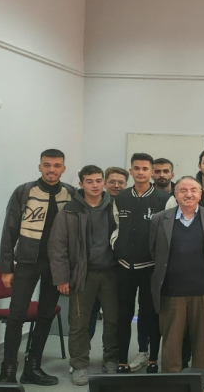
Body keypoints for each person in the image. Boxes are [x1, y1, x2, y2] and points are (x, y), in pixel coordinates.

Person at [0, 149, 74, 385]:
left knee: (46, 314)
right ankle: (8, 371)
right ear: (40, 167)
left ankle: (33, 367)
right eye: (47, 165)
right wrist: (6, 267)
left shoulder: (71, 193)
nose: (52, 170)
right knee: (16, 315)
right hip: (27, 262)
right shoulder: (24, 191)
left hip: (56, 265)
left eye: (57, 165)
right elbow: (9, 231)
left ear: (63, 169)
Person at [48, 165, 119, 386]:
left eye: (98, 180)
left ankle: (111, 359)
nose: (95, 185)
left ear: (104, 182)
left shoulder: (115, 207)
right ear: (81, 184)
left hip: (112, 273)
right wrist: (61, 277)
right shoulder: (70, 211)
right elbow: (57, 246)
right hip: (82, 275)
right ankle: (79, 365)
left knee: (113, 320)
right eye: (89, 181)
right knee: (78, 322)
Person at [149, 176, 204, 372]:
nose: (189, 194)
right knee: (171, 344)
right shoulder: (159, 219)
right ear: (175, 194)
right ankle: (171, 383)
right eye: (183, 190)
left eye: (193, 190)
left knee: (203, 345)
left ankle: (199, 382)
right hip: (171, 293)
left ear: (200, 194)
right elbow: (154, 251)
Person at [112, 153, 170, 374]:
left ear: (152, 172)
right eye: (136, 168)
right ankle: (122, 361)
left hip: (150, 268)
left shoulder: (164, 199)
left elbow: (168, 233)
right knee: (124, 314)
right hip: (124, 267)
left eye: (145, 169)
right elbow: (115, 227)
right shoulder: (121, 197)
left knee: (150, 314)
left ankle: (152, 358)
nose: (141, 172)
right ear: (131, 171)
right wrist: (118, 246)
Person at [88, 168, 128, 346]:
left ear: (126, 185)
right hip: (94, 268)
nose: (116, 185)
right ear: (105, 183)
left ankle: (111, 354)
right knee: (90, 312)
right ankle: (84, 352)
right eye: (112, 182)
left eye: (121, 182)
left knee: (114, 314)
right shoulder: (93, 205)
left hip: (119, 269)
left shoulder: (129, 205)